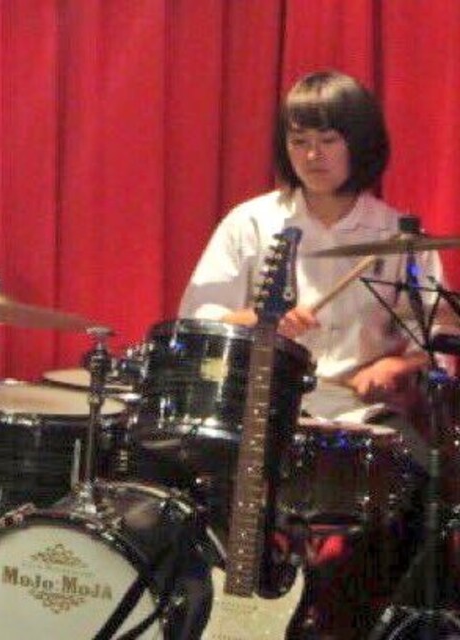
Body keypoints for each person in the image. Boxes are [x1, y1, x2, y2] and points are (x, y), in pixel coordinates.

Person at [178, 70, 451, 638]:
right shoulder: (252, 222)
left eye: (328, 140)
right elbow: (198, 317)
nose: (311, 155)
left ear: (360, 143)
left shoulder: (398, 235)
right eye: (299, 140)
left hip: (360, 415)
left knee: (429, 492)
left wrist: (396, 365)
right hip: (266, 408)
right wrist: (261, 320)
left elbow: (438, 336)